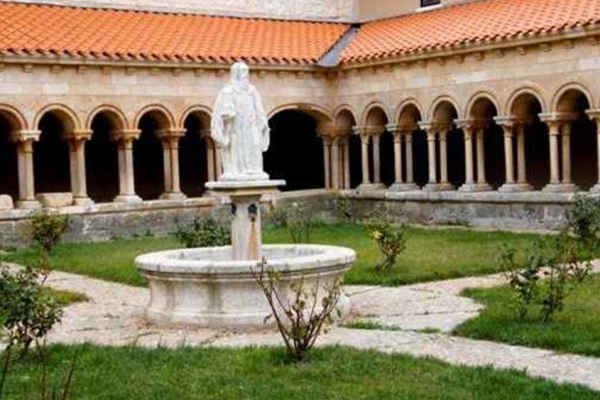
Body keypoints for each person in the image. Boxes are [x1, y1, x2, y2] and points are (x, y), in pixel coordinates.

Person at [211, 62, 271, 181]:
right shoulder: (228, 91)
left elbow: (258, 108)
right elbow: (222, 111)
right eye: (243, 71)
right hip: (235, 127)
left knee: (253, 145)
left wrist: (262, 120)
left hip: (251, 125)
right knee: (236, 147)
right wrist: (227, 116)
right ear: (236, 74)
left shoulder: (252, 90)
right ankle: (235, 170)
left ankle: (254, 170)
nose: (246, 74)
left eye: (247, 71)